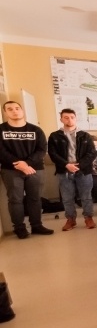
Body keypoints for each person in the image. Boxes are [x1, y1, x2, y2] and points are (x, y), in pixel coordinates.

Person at [0, 100, 54, 239]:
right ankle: (19, 228)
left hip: (35, 169)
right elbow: (1, 151)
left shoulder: (36, 130)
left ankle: (36, 226)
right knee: (15, 200)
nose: (14, 111)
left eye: (17, 108)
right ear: (5, 112)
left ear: (22, 110)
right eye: (10, 109)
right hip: (11, 170)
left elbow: (42, 150)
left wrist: (27, 163)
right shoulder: (1, 129)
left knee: (35, 198)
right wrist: (20, 164)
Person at [47, 108, 97, 231]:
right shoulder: (55, 136)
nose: (69, 120)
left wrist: (79, 165)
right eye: (66, 117)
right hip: (64, 170)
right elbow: (53, 154)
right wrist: (66, 164)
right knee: (67, 197)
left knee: (86, 196)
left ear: (76, 118)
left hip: (83, 170)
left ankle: (88, 218)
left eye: (72, 117)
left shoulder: (85, 135)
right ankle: (71, 219)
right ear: (61, 119)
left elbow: (91, 153)